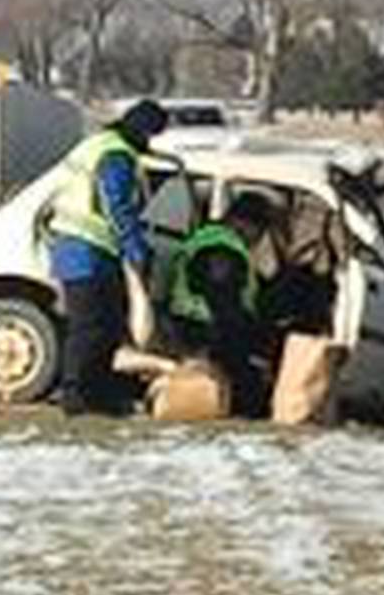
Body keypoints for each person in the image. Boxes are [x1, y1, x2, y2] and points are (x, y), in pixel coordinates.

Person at [46, 99, 168, 416]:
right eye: (152, 135)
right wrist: (135, 249)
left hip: (82, 247)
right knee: (88, 328)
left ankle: (100, 392)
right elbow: (117, 207)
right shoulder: (115, 155)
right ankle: (75, 395)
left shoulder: (99, 144)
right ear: (142, 130)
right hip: (85, 250)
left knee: (108, 327)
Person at [165, 191, 281, 416]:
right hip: (204, 334)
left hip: (192, 327)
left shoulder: (208, 238)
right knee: (252, 395)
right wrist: (254, 344)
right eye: (260, 233)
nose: (258, 241)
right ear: (246, 224)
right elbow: (223, 305)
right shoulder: (223, 250)